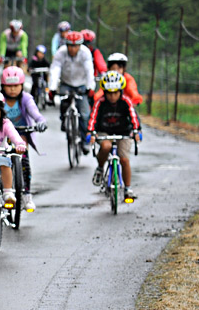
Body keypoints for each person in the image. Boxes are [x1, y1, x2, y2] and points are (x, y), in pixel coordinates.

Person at [87, 71, 142, 200]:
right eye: (109, 93)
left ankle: (127, 188)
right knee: (106, 146)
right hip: (104, 131)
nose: (112, 96)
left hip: (123, 132)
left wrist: (136, 131)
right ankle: (100, 168)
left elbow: (133, 117)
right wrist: (91, 132)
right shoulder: (100, 102)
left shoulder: (125, 102)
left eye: (115, 93)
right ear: (105, 92)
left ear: (120, 92)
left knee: (124, 159)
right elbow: (93, 118)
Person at [0, 66, 48, 212]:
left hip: (22, 134)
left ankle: (27, 194)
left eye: (16, 86)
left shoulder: (26, 98)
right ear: (3, 86)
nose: (13, 89)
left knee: (24, 159)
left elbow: (34, 112)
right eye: (9, 86)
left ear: (22, 85)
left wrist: (40, 121)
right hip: (3, 135)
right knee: (0, 160)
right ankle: (1, 190)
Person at [48, 30, 95, 153]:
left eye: (75, 46)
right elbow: (55, 70)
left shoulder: (85, 53)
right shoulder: (61, 53)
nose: (73, 49)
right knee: (63, 102)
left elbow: (90, 70)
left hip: (81, 84)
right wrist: (52, 88)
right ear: (66, 45)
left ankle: (85, 141)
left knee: (84, 114)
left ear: (80, 45)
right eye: (70, 46)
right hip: (66, 83)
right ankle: (64, 119)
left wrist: (90, 87)